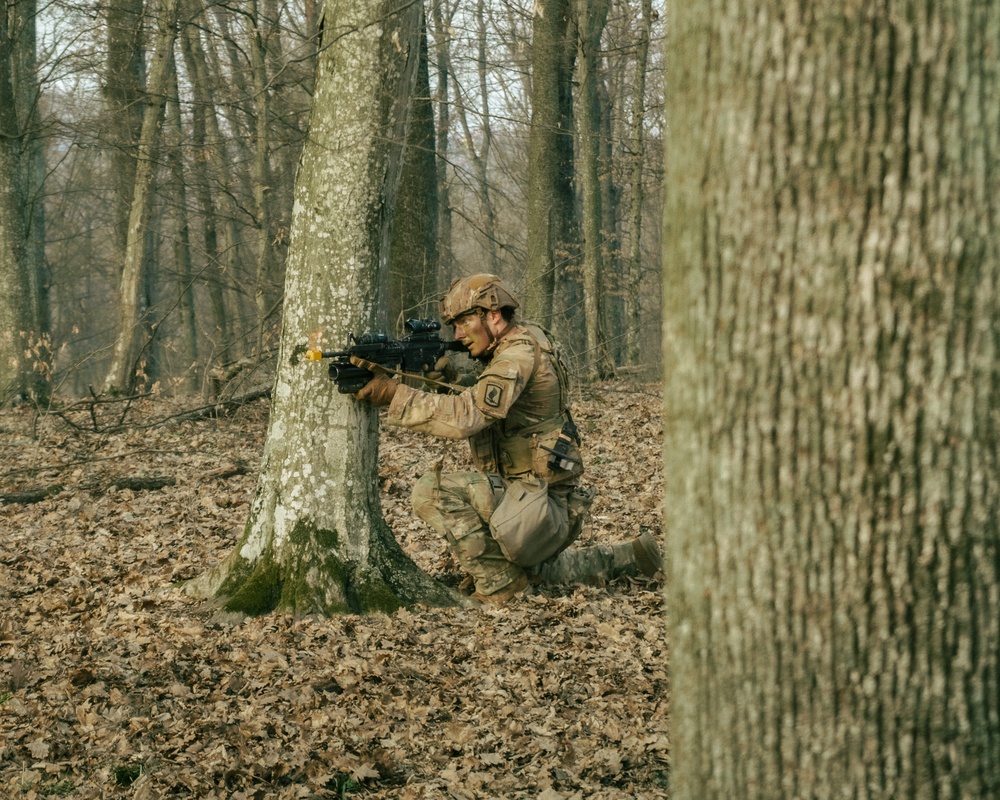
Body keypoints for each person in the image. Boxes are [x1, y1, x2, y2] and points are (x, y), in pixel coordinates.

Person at [351, 274, 661, 605]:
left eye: (465, 322)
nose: (457, 334)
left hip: (538, 509)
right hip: (542, 505)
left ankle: (502, 588)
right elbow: (500, 400)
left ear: (494, 315)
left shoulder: (516, 356)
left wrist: (394, 394)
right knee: (541, 571)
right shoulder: (527, 341)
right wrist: (451, 379)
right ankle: (629, 556)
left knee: (432, 491)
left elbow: (466, 416)